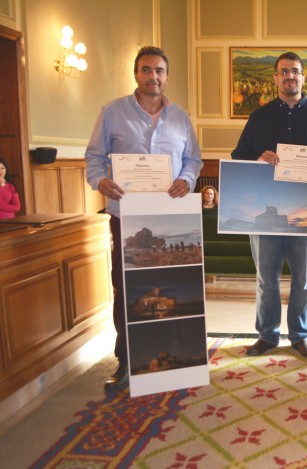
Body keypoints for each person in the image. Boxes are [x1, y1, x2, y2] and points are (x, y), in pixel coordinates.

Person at [85, 46, 203, 390]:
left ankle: (175, 357)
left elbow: (193, 159)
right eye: (147, 70)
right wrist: (101, 181)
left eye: (160, 71)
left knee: (173, 289)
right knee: (126, 290)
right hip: (127, 215)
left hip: (170, 215)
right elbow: (94, 157)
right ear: (136, 74)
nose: (154, 77)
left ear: (167, 76)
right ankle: (127, 361)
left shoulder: (181, 116)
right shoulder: (112, 112)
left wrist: (186, 180)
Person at [231, 51, 307, 359]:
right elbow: (239, 156)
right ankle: (267, 335)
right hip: (265, 213)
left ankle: (300, 336)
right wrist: (257, 157)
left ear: (304, 77)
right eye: (283, 72)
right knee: (267, 279)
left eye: (295, 71)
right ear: (275, 78)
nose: (290, 76)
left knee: (304, 280)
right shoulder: (259, 117)